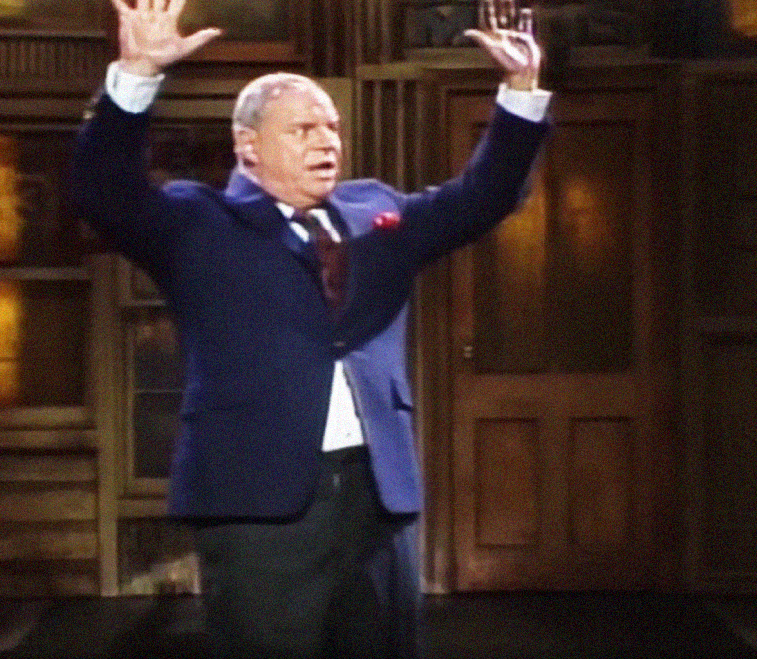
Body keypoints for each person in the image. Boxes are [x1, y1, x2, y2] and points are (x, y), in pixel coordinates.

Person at [72, 0, 551, 656]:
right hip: (260, 506)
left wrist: (520, 97)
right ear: (248, 146)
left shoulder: (374, 209)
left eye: (331, 127)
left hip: (375, 502)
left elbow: (480, 200)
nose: (327, 142)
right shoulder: (198, 223)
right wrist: (134, 76)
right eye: (302, 129)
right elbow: (105, 194)